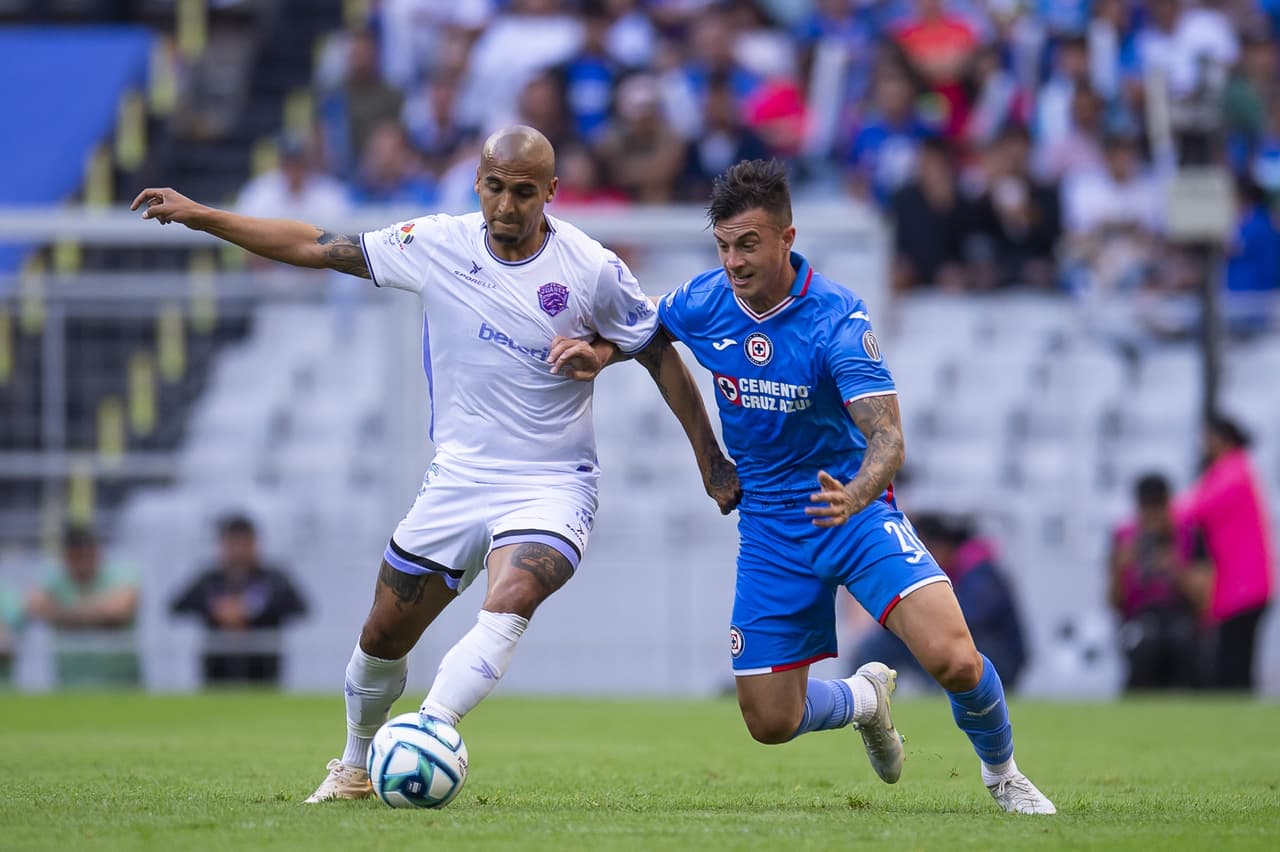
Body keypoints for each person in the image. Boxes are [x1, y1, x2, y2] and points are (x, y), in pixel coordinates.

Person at [131, 125, 739, 801]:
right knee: (380, 637)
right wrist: (201, 214)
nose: (507, 205)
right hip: (457, 481)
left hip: (551, 484)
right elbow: (315, 245)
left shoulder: (590, 266)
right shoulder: (435, 244)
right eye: (495, 188)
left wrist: (707, 456)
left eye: (524, 193)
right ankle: (354, 765)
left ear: (551, 193)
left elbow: (655, 347)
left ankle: (430, 729)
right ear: (478, 183)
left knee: (511, 598)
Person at [587, 160, 1055, 814]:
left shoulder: (837, 319)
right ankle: (866, 701)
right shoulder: (703, 299)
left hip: (853, 516)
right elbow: (647, 338)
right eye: (723, 245)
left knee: (953, 658)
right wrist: (704, 455)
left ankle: (1003, 774)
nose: (734, 261)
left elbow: (889, 438)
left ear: (786, 237)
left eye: (748, 244)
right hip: (771, 528)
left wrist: (857, 496)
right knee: (769, 721)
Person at [854, 514, 1029, 692]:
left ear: (940, 545)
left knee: (942, 640)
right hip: (955, 646)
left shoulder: (978, 570)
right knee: (878, 644)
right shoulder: (939, 571)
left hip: (996, 657)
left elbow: (971, 618)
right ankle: (865, 698)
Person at [1177, 416, 1275, 690]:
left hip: (1244, 586)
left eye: (1207, 438)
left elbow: (1192, 510)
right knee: (1233, 659)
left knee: (1233, 663)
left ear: (1223, 439)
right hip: (1241, 585)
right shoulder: (1235, 470)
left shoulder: (1233, 472)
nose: (1203, 445)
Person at [169, 514, 309, 685]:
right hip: (217, 672)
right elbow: (176, 606)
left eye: (244, 544)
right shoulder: (210, 580)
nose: (238, 551)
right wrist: (216, 609)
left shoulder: (273, 578)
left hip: (263, 671)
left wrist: (251, 610)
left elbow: (300, 606)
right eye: (232, 544)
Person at [1108, 474, 1207, 691]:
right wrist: (1120, 569)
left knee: (1182, 639)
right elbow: (1114, 603)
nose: (1152, 516)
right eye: (1146, 508)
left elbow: (1203, 598)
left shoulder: (1190, 534)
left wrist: (1175, 570)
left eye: (1157, 507)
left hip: (1180, 619)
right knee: (1145, 642)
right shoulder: (1124, 538)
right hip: (1140, 620)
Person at [25, 524, 141, 687]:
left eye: (88, 555)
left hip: (120, 684)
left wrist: (62, 614)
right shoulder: (53, 576)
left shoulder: (121, 572)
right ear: (65, 557)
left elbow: (120, 610)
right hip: (70, 683)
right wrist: (98, 613)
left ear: (98, 552)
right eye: (77, 557)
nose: (83, 563)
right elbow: (35, 608)